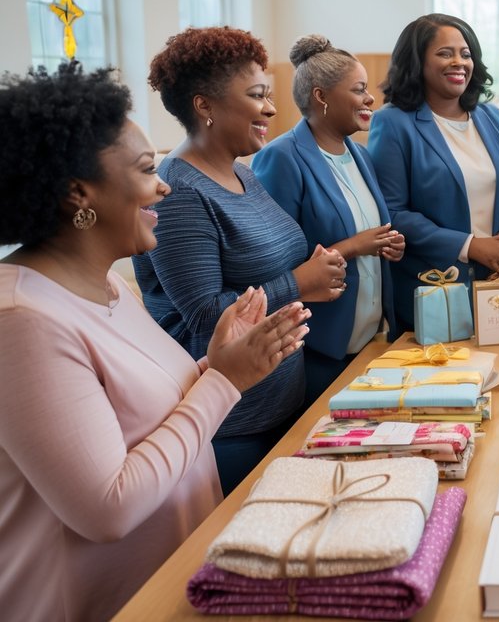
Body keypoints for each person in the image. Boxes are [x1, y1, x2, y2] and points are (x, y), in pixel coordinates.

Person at [0, 63, 309, 621]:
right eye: (146, 170)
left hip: (174, 578)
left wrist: (215, 361)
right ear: (78, 194)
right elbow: (107, 508)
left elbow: (140, 409)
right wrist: (223, 380)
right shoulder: (22, 318)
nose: (164, 184)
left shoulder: (106, 284)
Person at [134, 26, 347, 494]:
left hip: (284, 400)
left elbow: (268, 266)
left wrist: (310, 271)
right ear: (204, 105)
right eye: (256, 95)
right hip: (235, 426)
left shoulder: (242, 173)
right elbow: (208, 316)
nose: (271, 108)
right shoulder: (182, 192)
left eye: (269, 95)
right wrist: (300, 281)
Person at [252, 35, 405, 405]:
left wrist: (386, 245)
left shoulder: (361, 155)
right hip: (316, 348)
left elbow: (368, 232)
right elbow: (274, 264)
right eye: (359, 89)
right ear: (321, 97)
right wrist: (354, 246)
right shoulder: (281, 158)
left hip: (368, 343)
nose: (371, 99)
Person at [368, 13, 499, 337]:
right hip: (434, 286)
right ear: (417, 61)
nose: (458, 62)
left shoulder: (491, 117)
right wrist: (469, 245)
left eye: (465, 53)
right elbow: (392, 212)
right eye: (445, 53)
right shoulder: (394, 123)